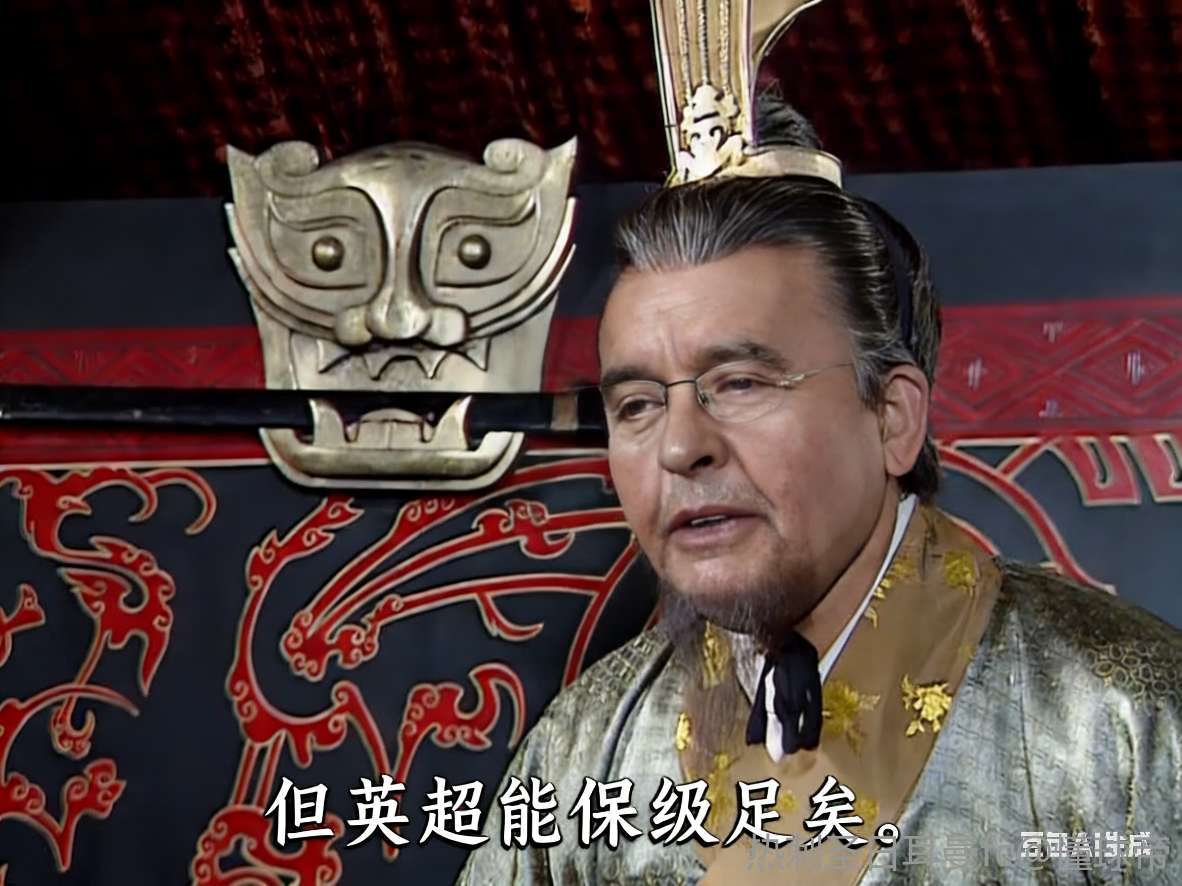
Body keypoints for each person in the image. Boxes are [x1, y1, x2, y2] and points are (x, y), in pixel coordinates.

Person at [456, 105, 1182, 884]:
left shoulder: (1122, 724)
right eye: (636, 405)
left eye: (740, 383)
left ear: (893, 417)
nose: (679, 446)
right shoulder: (583, 752)